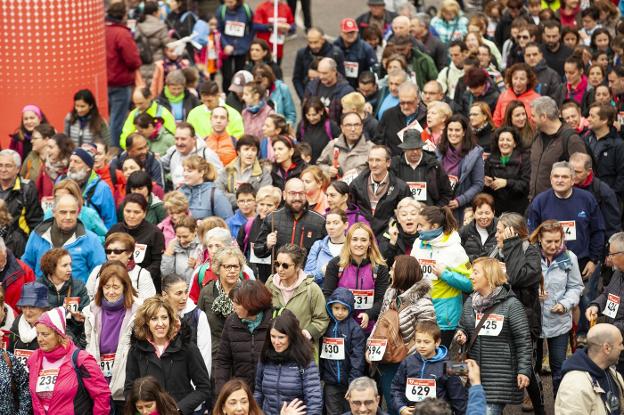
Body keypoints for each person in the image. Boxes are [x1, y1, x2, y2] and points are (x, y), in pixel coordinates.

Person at [454, 257, 532, 414]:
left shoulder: (511, 305)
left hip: (499, 378)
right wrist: (461, 334)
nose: (471, 276)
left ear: (489, 276)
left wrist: (524, 370)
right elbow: (463, 326)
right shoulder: (470, 301)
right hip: (474, 374)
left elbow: (523, 341)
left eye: (475, 272)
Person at [490, 212, 544, 413]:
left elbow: (519, 277)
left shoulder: (530, 252)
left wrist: (512, 245)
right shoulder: (495, 251)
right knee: (498, 366)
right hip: (498, 318)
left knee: (527, 367)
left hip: (525, 321)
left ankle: (540, 409)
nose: (496, 234)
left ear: (512, 231)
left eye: (499, 230)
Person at [124, 297, 211, 414]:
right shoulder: (136, 350)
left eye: (164, 317)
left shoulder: (187, 347)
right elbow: (129, 389)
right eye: (154, 319)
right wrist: (143, 410)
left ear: (170, 319)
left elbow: (204, 387)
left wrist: (179, 409)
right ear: (146, 322)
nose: (160, 324)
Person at [528, 219, 584, 396]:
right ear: (539, 240)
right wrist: (533, 294)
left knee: (559, 366)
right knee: (533, 366)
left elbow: (576, 287)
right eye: (548, 241)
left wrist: (565, 304)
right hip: (534, 321)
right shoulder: (530, 256)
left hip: (559, 321)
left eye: (557, 241)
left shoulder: (569, 257)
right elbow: (518, 283)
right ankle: (535, 399)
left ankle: (560, 402)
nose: (553, 246)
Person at [376, 255, 436, 412]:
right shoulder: (390, 293)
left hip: (411, 365)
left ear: (403, 272)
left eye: (393, 269)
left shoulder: (423, 302)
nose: (390, 273)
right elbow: (380, 321)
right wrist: (373, 346)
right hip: (388, 361)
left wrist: (405, 356)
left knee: (408, 409)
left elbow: (428, 336)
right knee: (392, 406)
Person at [527, 161, 605, 283]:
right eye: (556, 176)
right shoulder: (539, 202)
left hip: (583, 264)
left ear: (573, 180)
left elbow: (598, 231)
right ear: (551, 179)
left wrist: (593, 260)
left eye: (564, 177)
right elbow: (532, 236)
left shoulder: (587, 199)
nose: (560, 180)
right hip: (550, 265)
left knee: (586, 301)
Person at [28, 306, 112, 414]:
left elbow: (102, 395)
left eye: (45, 334)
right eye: (38, 334)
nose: (39, 339)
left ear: (59, 335)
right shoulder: (34, 358)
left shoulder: (81, 359)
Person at [83, 261, 141, 413]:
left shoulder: (138, 311)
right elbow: (89, 342)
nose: (111, 292)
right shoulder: (91, 311)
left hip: (124, 381)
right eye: (107, 287)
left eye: (116, 287)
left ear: (125, 287)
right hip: (99, 382)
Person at [411, 206, 472, 346]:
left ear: (434, 226)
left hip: (445, 318)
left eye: (421, 225)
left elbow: (470, 284)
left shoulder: (455, 249)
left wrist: (445, 274)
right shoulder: (418, 244)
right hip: (421, 313)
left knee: (440, 362)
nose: (417, 228)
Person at [22, 193, 106, 283]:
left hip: (76, 295)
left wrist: (86, 295)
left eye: (72, 212)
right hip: (42, 294)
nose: (68, 217)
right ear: (54, 212)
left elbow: (100, 273)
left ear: (78, 213)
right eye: (63, 212)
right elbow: (26, 268)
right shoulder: (37, 235)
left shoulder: (91, 239)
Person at [254, 308, 323, 415]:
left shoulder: (304, 359)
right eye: (273, 336)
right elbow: (258, 393)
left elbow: (314, 399)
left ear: (291, 337)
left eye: (281, 337)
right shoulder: (265, 357)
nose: (276, 342)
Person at [322, 222, 390, 332]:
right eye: (355, 239)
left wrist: (369, 314)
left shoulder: (380, 268)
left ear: (370, 243)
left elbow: (381, 299)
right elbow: (327, 295)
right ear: (348, 241)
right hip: (339, 327)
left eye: (363, 240)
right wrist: (337, 314)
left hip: (369, 327)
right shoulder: (335, 264)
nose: (359, 244)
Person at [390, 320, 466, 414]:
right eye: (418, 341)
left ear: (437, 342)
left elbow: (459, 399)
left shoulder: (451, 365)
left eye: (426, 342)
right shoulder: (407, 362)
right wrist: (401, 407)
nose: (421, 346)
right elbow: (396, 388)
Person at [214, 280, 273, 391]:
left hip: (270, 393)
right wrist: (223, 391)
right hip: (242, 393)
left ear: (252, 304)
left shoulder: (275, 321)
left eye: (238, 303)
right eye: (233, 302)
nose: (233, 306)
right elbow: (223, 361)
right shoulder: (231, 322)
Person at [265, 244, 330, 345]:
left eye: (285, 265)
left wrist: (306, 334)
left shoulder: (312, 289)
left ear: (298, 266)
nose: (280, 269)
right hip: (275, 347)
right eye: (277, 264)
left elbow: (322, 319)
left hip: (302, 350)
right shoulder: (270, 284)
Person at [555, 323, 624, 414]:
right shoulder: (574, 387)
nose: (622, 348)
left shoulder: (611, 373)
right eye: (620, 344)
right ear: (607, 348)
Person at [253, 178, 326, 262]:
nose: (297, 197)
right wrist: (267, 245)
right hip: (279, 273)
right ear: (284, 195)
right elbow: (257, 250)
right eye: (293, 193)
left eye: (301, 193)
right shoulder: (272, 217)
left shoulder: (319, 221)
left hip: (307, 274)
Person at [320, 287, 366, 414]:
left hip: (349, 383)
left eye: (344, 309)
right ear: (330, 307)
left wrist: (353, 384)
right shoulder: (326, 327)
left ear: (350, 309)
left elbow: (357, 360)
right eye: (336, 308)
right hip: (330, 382)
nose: (340, 312)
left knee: (350, 412)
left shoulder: (355, 329)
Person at [529, 96, 587, 198]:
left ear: (543, 117)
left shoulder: (571, 139)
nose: (531, 119)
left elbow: (581, 176)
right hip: (536, 204)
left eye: (533, 116)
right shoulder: (537, 136)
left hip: (559, 206)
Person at [107, 194, 165, 292]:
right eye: (128, 211)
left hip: (146, 284)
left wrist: (139, 277)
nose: (131, 216)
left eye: (136, 212)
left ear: (144, 213)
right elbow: (108, 256)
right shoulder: (114, 230)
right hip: (116, 283)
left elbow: (157, 263)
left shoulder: (155, 233)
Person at [197, 246, 249, 355]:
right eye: (228, 267)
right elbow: (198, 325)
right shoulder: (207, 292)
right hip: (215, 353)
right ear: (218, 268)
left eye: (236, 266)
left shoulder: (248, 292)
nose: (232, 271)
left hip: (242, 352)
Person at [349, 146, 412, 237]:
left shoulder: (401, 187)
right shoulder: (356, 184)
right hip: (361, 235)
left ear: (388, 162)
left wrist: (389, 234)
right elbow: (350, 209)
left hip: (388, 236)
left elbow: (405, 214)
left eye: (378, 160)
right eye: (371, 160)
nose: (373, 165)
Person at [105, 2, 141, 147]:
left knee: (106, 118)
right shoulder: (122, 33)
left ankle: (105, 147)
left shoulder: (101, 30)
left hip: (103, 82)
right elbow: (133, 60)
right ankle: (115, 149)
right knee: (117, 120)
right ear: (124, 15)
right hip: (120, 81)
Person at [161, 274, 212, 377]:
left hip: (190, 381)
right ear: (165, 295)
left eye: (186, 292)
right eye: (179, 293)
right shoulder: (155, 316)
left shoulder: (199, 316)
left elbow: (204, 355)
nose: (184, 297)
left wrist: (199, 385)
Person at [438, 114, 485, 225]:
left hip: (462, 209)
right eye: (450, 130)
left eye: (457, 130)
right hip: (440, 207)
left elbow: (478, 184)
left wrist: (460, 200)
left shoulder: (475, 153)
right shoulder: (438, 152)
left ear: (464, 132)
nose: (453, 133)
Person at [389, 130, 452, 208]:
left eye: (418, 148)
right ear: (404, 149)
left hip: (428, 215)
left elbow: (447, 193)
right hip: (402, 214)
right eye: (411, 148)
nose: (415, 152)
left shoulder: (434, 165)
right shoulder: (394, 165)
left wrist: (435, 210)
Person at [86, 232, 156, 302]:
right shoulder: (97, 270)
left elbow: (148, 304)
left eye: (117, 251)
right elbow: (88, 297)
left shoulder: (142, 274)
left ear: (129, 253)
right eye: (108, 251)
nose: (112, 255)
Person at [569, 152, 621, 241]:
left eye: (578, 172)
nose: (573, 175)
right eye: (571, 171)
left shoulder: (603, 192)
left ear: (588, 171)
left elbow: (612, 226)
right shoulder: (564, 186)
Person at [161, 122, 224, 189]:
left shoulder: (207, 154)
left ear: (194, 139)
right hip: (179, 197)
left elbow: (220, 178)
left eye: (183, 139)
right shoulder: (173, 152)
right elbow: (159, 166)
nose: (179, 143)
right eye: (176, 139)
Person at [483, 126, 530, 214]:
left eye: (508, 140)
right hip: (496, 209)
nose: (504, 143)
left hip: (518, 209)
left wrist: (506, 183)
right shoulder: (490, 159)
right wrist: (486, 184)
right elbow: (485, 190)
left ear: (515, 143)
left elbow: (525, 185)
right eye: (501, 140)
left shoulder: (524, 159)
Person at [216, 134, 272, 208]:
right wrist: (246, 200)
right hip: (230, 212)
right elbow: (218, 193)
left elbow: (264, 198)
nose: (250, 153)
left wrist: (233, 197)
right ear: (238, 152)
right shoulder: (227, 170)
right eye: (246, 149)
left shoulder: (264, 173)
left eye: (253, 150)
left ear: (257, 153)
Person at [67, 147, 117, 229]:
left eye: (76, 162)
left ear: (88, 167)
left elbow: (110, 220)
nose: (71, 165)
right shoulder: (61, 182)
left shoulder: (102, 188)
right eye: (71, 161)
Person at [316, 112, 372, 183]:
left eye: (356, 125)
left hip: (360, 190)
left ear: (361, 127)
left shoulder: (371, 148)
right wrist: (328, 170)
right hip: (337, 190)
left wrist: (359, 172)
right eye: (348, 125)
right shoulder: (333, 145)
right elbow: (319, 164)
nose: (353, 129)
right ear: (342, 128)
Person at [374, 82, 427, 157]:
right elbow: (379, 140)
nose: (405, 106)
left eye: (409, 103)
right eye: (402, 103)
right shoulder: (388, 115)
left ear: (418, 100)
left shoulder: (427, 116)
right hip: (394, 162)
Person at [585, 103, 624, 202]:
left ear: (604, 120)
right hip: (586, 196)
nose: (588, 119)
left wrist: (612, 196)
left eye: (592, 116)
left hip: (608, 200)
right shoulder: (585, 139)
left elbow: (622, 175)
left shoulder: (618, 145)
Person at [0, 150, 44, 238]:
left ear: (17, 169)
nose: (3, 169)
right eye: (0, 165)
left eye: (8, 166)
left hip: (18, 246)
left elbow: (36, 223)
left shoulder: (27, 189)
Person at [292, 27, 346, 100]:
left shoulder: (336, 54)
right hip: (309, 99)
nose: (313, 46)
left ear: (322, 40)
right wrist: (304, 98)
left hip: (330, 98)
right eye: (310, 42)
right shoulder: (302, 54)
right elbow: (297, 79)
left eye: (315, 42)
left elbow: (342, 78)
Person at [215, 0, 257, 92]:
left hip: (242, 48)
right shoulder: (221, 10)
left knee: (240, 75)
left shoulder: (246, 10)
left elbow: (252, 27)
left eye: (231, 1)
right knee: (226, 76)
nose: (228, 3)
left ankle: (238, 95)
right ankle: (227, 96)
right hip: (226, 49)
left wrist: (247, 42)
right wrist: (225, 45)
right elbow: (218, 30)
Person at [179, 155, 233, 220]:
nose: (185, 174)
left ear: (201, 172)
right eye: (184, 170)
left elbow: (228, 222)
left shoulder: (215, 195)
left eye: (189, 171)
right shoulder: (179, 192)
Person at [304, 209, 348, 285]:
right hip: (322, 294)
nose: (331, 227)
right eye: (328, 223)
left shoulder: (352, 246)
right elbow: (306, 278)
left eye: (336, 223)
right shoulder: (318, 246)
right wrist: (321, 272)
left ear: (345, 225)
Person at [304, 58, 354, 122]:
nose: (321, 76)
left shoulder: (346, 91)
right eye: (319, 72)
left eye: (325, 73)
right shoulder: (312, 85)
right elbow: (305, 108)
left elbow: (349, 117)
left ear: (334, 71)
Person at [492, 63, 540, 127]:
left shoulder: (536, 99)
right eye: (515, 78)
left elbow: (538, 122)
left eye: (522, 79)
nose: (518, 82)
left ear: (528, 80)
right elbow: (496, 120)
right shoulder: (503, 95)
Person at [8, 281, 49, 355]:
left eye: (32, 307)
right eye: (24, 307)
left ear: (43, 307)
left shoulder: (55, 327)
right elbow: (9, 354)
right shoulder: (16, 326)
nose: (27, 312)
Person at [297, 97, 340, 164]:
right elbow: (299, 143)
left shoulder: (331, 126)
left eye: (314, 115)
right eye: (308, 115)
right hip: (306, 167)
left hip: (326, 166)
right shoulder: (302, 126)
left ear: (321, 111)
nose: (311, 118)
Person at [0, 235, 35, 311]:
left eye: (0, 261)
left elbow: (32, 303)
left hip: (15, 320)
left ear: (5, 252)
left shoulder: (25, 271)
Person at [161, 216, 200, 285]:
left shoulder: (203, 245)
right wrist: (168, 255)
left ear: (195, 231)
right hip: (179, 288)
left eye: (185, 236)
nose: (182, 241)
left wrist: (197, 266)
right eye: (178, 236)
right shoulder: (173, 245)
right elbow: (166, 275)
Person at [459, 194, 498, 262]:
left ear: (493, 213)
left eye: (487, 213)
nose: (483, 217)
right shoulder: (464, 231)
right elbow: (459, 255)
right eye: (480, 213)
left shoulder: (500, 229)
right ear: (474, 214)